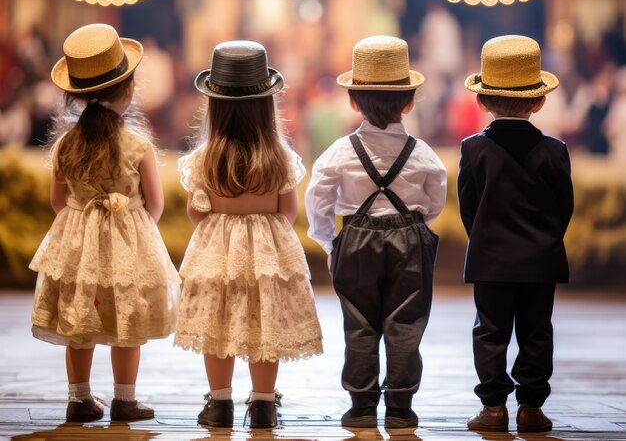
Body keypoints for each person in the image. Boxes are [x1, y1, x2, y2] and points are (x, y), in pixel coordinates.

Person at [29, 23, 180, 423]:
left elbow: (57, 201)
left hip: (78, 249)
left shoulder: (64, 144)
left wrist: (81, 227)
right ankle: (125, 399)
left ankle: (79, 399)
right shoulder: (137, 145)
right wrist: (131, 229)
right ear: (128, 88)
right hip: (129, 247)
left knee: (79, 323)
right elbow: (156, 205)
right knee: (127, 321)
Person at [174, 40, 323, 429]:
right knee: (264, 326)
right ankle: (263, 404)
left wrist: (223, 227)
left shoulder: (205, 158)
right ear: (265, 106)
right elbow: (288, 212)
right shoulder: (278, 156)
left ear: (215, 107)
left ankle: (219, 402)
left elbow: (196, 210)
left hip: (216, 254)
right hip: (268, 256)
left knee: (216, 327)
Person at [305, 36, 446, 429]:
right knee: (406, 323)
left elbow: (317, 198)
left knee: (359, 323)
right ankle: (401, 408)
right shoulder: (422, 153)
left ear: (352, 101)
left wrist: (327, 241)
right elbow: (435, 200)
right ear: (409, 101)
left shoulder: (339, 151)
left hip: (355, 240)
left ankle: (362, 406)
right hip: (409, 240)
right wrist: (415, 225)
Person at [458, 35, 574, 434]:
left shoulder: (473, 149)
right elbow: (564, 208)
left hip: (490, 258)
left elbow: (468, 207)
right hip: (541, 258)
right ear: (539, 101)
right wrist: (543, 239)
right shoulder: (555, 150)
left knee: (489, 332)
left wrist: (486, 237)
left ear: (482, 100)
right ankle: (531, 408)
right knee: (537, 331)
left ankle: (493, 409)